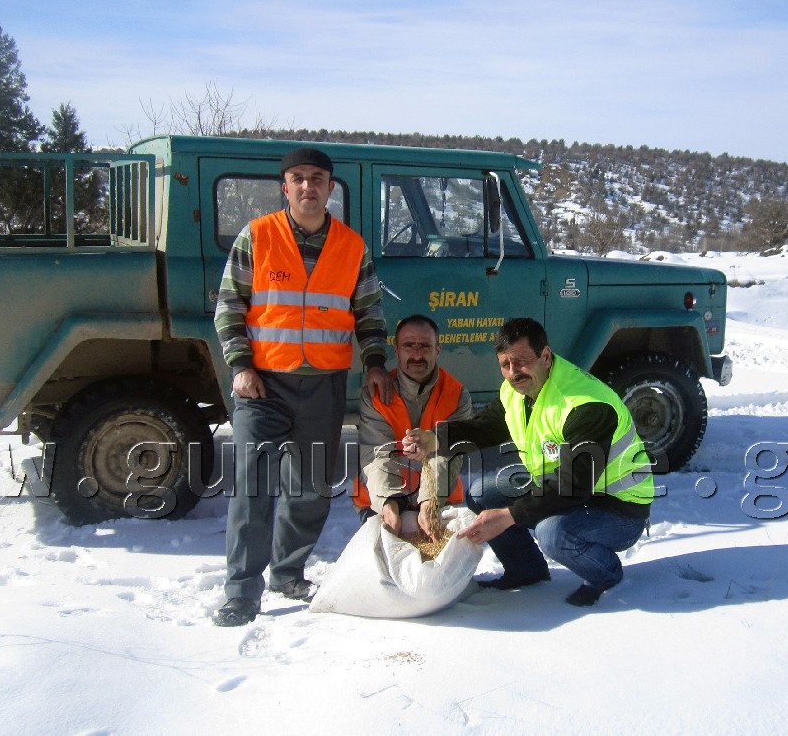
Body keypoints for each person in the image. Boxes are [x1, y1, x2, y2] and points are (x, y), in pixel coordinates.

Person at [212, 146, 395, 627]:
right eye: (298, 177)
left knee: (311, 487)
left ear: (330, 187)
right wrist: (241, 366)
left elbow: (370, 314)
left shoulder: (352, 247)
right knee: (253, 488)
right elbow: (229, 306)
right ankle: (241, 592)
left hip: (323, 386)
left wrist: (375, 363)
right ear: (285, 187)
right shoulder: (258, 236)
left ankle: (288, 573)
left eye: (317, 178)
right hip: (262, 386)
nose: (308, 186)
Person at [403, 317, 654, 607]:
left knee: (553, 533)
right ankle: (526, 570)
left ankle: (606, 575)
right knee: (482, 493)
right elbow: (487, 427)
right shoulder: (516, 390)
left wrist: (509, 515)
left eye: (521, 362)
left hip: (619, 507)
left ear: (545, 356)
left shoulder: (586, 405)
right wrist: (437, 438)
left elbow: (573, 485)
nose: (512, 373)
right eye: (505, 365)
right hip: (562, 484)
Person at [353, 314, 474, 540]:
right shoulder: (375, 395)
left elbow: (449, 455)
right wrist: (390, 508)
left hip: (439, 498)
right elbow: (375, 456)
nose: (417, 354)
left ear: (437, 350)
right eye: (409, 346)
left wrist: (429, 504)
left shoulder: (456, 395)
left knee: (447, 571)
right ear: (396, 350)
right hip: (382, 500)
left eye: (425, 346)